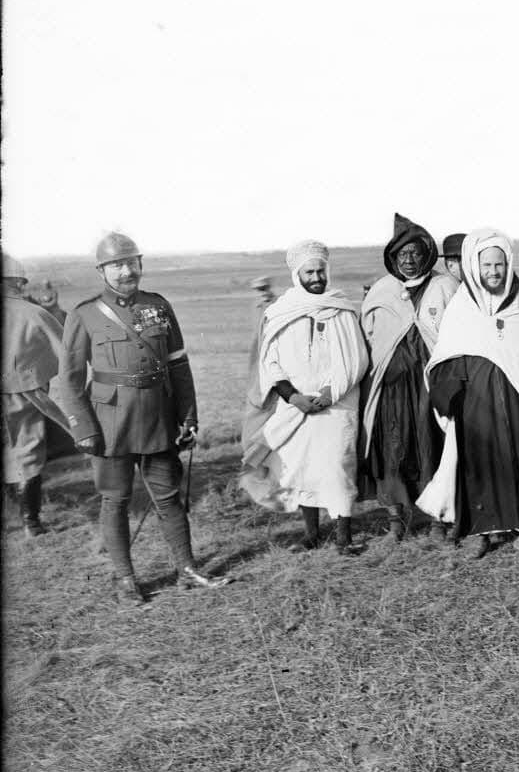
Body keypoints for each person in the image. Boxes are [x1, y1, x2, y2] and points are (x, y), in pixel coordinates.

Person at [58, 232, 228, 604]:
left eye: (131, 263)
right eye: (116, 265)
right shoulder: (84, 314)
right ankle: (125, 581)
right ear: (101, 271)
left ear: (141, 264)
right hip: (109, 425)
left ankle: (187, 568)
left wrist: (188, 417)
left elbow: (179, 367)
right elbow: (70, 380)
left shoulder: (159, 306)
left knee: (169, 499)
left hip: (158, 419)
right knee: (115, 501)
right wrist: (83, 427)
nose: (125, 271)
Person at [417, 230, 519, 557]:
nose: (494, 271)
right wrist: (454, 390)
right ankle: (482, 532)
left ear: (508, 264)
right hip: (474, 402)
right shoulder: (461, 307)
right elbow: (445, 355)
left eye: (500, 264)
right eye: (487, 265)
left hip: (516, 400)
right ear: (474, 266)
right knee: (477, 465)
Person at [241, 240, 369, 554]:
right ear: (298, 274)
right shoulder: (280, 312)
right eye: (309, 272)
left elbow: (357, 359)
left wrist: (329, 393)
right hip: (295, 407)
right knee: (302, 468)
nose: (316, 277)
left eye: (320, 270)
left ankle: (343, 537)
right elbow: (270, 362)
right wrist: (293, 396)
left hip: (336, 404)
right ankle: (312, 534)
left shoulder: (341, 308)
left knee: (337, 466)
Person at [358, 214, 457, 540]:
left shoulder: (444, 286)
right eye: (402, 255)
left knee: (433, 447)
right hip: (391, 389)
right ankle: (396, 521)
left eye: (415, 253)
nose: (409, 261)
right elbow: (368, 336)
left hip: (430, 386)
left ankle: (437, 521)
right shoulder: (381, 291)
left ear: (426, 253)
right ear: (393, 258)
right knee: (391, 449)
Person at [3, 254, 67, 537]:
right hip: (24, 393)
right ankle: (31, 522)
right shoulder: (33, 312)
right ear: (17, 282)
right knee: (27, 453)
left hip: (20, 392)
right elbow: (66, 351)